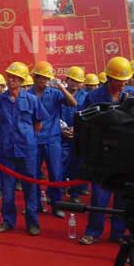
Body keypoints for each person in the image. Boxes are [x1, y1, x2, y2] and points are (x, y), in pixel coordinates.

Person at [78, 57, 133, 245]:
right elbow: (84, 122)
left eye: (125, 80)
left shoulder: (132, 96)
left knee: (122, 196)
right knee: (99, 195)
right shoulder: (93, 97)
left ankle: (118, 232)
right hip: (101, 153)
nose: (123, 84)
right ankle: (93, 231)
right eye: (119, 80)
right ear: (109, 78)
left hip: (125, 153)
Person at [0, 63, 48, 236]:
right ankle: (7, 221)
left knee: (30, 187)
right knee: (7, 188)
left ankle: (32, 222)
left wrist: (27, 137)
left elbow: (38, 124)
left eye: (14, 78)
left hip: (27, 150)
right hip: (7, 150)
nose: (10, 80)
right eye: (9, 77)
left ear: (21, 80)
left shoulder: (31, 100)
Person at [30, 61, 77, 218]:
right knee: (33, 175)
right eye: (43, 77)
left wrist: (62, 88)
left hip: (52, 140)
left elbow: (73, 103)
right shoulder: (27, 94)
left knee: (56, 174)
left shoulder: (55, 93)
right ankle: (35, 206)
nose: (45, 81)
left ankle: (57, 205)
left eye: (47, 78)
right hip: (34, 140)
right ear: (36, 77)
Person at [60, 66, 88, 203]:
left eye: (78, 81)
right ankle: (57, 192)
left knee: (77, 166)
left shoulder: (86, 96)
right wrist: (61, 128)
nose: (75, 83)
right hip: (62, 137)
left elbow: (88, 115)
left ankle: (75, 194)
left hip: (79, 137)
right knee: (60, 165)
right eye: (72, 80)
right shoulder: (59, 94)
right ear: (67, 80)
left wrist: (77, 128)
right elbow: (53, 114)